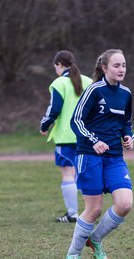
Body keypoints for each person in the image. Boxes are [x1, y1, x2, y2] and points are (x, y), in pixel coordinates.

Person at [66, 48, 134, 259]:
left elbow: (126, 122)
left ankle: (94, 239)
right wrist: (94, 140)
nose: (121, 69)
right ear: (104, 68)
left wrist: (128, 136)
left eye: (123, 65)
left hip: (115, 156)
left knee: (125, 204)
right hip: (89, 155)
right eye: (116, 65)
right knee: (93, 209)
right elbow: (76, 121)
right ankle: (74, 253)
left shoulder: (126, 94)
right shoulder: (94, 91)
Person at [40, 50, 92, 223]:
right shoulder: (89, 81)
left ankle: (72, 214)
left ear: (59, 65)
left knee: (68, 174)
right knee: (83, 174)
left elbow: (54, 110)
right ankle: (90, 212)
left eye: (55, 67)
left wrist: (44, 125)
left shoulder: (59, 83)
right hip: (86, 136)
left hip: (66, 137)